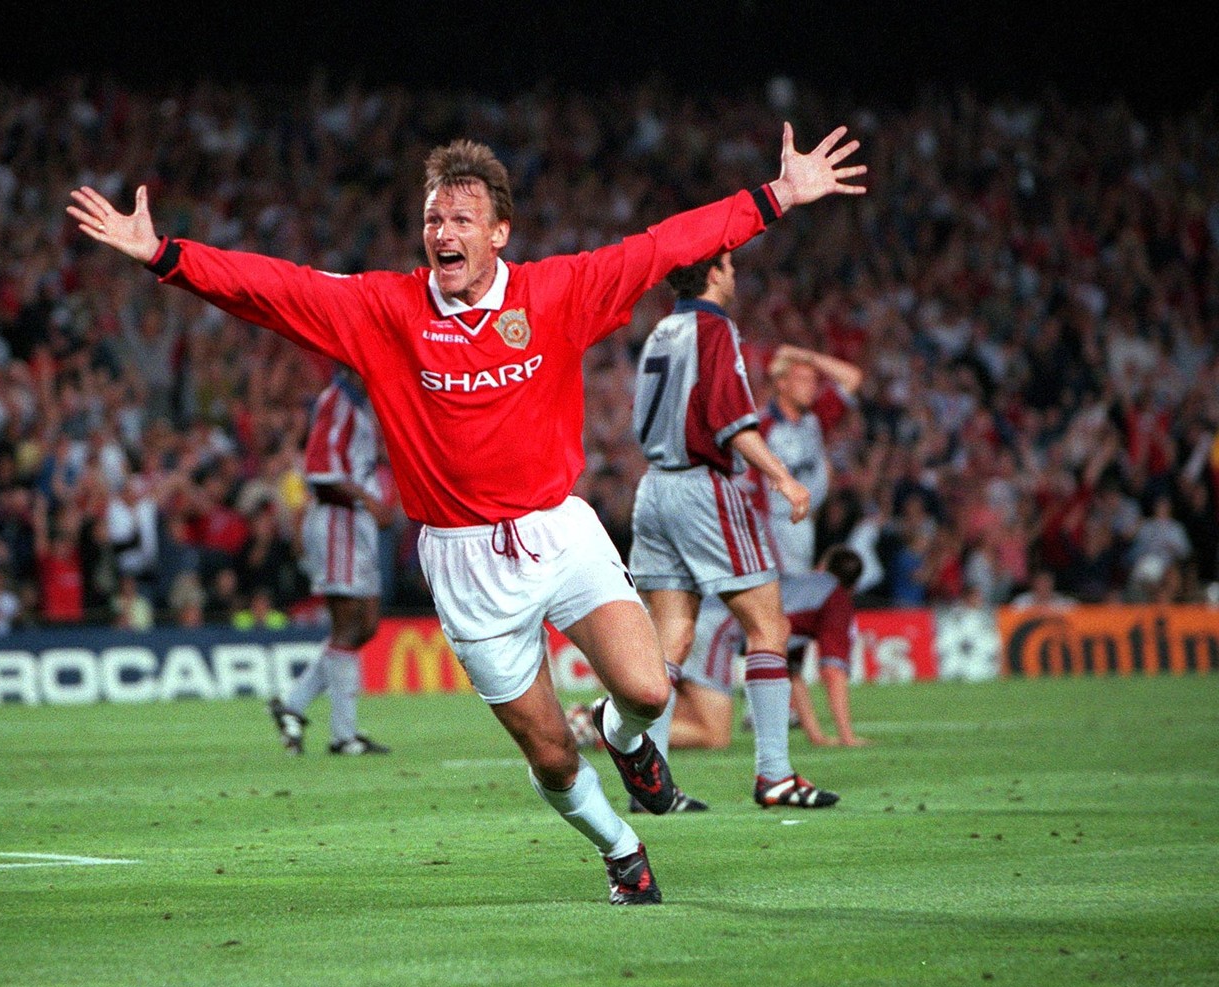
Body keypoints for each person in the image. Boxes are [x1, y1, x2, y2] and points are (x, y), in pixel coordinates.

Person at [69, 122, 865, 904]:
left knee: (650, 690)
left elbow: (663, 244)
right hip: (463, 559)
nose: (441, 233)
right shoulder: (386, 310)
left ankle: (629, 744)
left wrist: (778, 196)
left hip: (559, 528)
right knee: (551, 753)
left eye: (459, 219)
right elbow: (274, 286)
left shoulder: (557, 291)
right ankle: (622, 851)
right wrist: (164, 256)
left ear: (499, 233)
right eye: (431, 220)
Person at [621, 251, 839, 812]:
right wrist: (787, 481)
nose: (735, 273)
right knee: (770, 624)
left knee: (670, 639)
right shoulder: (714, 328)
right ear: (714, 273)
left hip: (654, 489)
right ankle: (774, 775)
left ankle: (653, 788)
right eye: (731, 264)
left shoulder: (661, 331)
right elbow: (732, 423)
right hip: (701, 487)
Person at [570, 545, 871, 750]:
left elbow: (789, 672)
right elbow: (833, 671)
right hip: (716, 628)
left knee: (686, 715)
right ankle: (605, 728)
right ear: (854, 587)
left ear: (822, 565)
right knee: (715, 735)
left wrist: (816, 736)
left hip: (701, 614)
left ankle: (597, 719)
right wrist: (846, 736)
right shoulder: (835, 597)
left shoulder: (804, 588)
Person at [268, 366, 394, 757]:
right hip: (339, 521)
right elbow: (320, 472)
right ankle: (344, 735)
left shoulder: (359, 405)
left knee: (367, 625)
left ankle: (292, 705)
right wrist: (369, 498)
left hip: (357, 525)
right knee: (347, 624)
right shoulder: (335, 401)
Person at [759, 344, 863, 574]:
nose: (811, 387)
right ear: (781, 383)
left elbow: (852, 378)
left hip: (804, 524)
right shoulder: (762, 427)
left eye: (814, 380)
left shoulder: (813, 419)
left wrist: (804, 356)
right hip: (772, 526)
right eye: (802, 380)